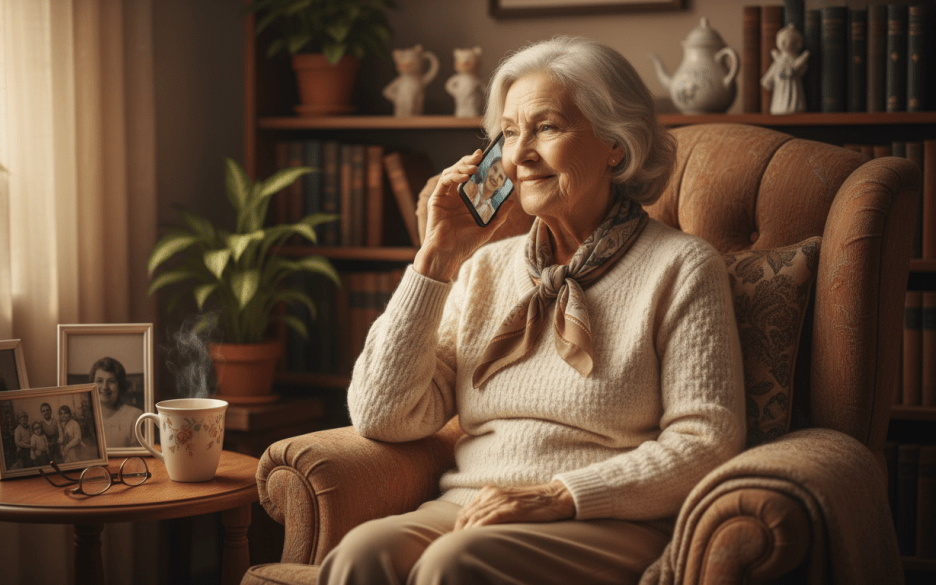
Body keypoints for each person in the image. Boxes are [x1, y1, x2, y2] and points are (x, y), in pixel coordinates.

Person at [318, 36, 745, 585]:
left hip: (604, 518)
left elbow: (705, 443)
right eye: (511, 132)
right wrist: (435, 259)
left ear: (616, 145)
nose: (520, 155)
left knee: (454, 563)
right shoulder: (483, 268)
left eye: (546, 127)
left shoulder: (682, 266)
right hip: (470, 507)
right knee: (360, 553)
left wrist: (558, 495)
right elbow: (383, 415)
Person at [90, 357, 143, 448]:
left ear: (120, 386)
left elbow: (137, 456)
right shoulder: (85, 416)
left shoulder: (135, 417)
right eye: (99, 381)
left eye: (111, 381)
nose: (104, 387)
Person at [460, 157, 508, 224]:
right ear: (489, 169)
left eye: (501, 177)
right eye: (495, 169)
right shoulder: (467, 187)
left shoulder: (491, 214)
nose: (495, 177)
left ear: (501, 186)